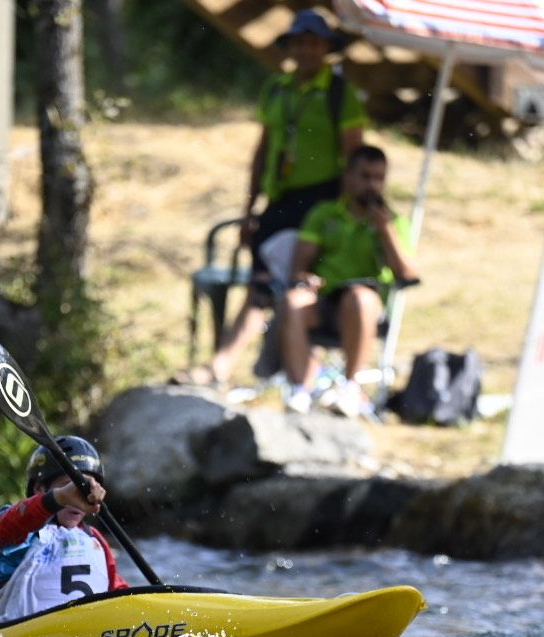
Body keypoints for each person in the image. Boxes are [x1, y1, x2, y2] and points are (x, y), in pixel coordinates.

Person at [179, 9, 364, 388]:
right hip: (280, 203)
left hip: (321, 203)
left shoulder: (339, 95)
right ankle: (225, 366)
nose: (306, 50)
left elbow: (354, 159)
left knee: (298, 289)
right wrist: (250, 210)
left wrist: (340, 217)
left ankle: (291, 371)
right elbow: (263, 150)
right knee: (262, 286)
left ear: (326, 48)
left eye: (314, 43)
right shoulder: (277, 89)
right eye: (300, 43)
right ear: (291, 47)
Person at [281, 144, 418, 418]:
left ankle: (351, 387)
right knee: (293, 300)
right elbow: (298, 268)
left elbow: (408, 275)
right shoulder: (325, 214)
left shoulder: (394, 222)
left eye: (379, 178)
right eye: (365, 176)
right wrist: (307, 279)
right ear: (348, 177)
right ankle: (300, 391)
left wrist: (385, 231)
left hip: (362, 307)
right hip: (324, 300)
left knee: (360, 298)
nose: (372, 185)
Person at [0, 437, 131, 622]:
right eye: (67, 486)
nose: (76, 496)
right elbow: (5, 527)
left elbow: (118, 592)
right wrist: (59, 498)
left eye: (84, 489)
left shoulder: (95, 540)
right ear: (39, 489)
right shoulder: (23, 533)